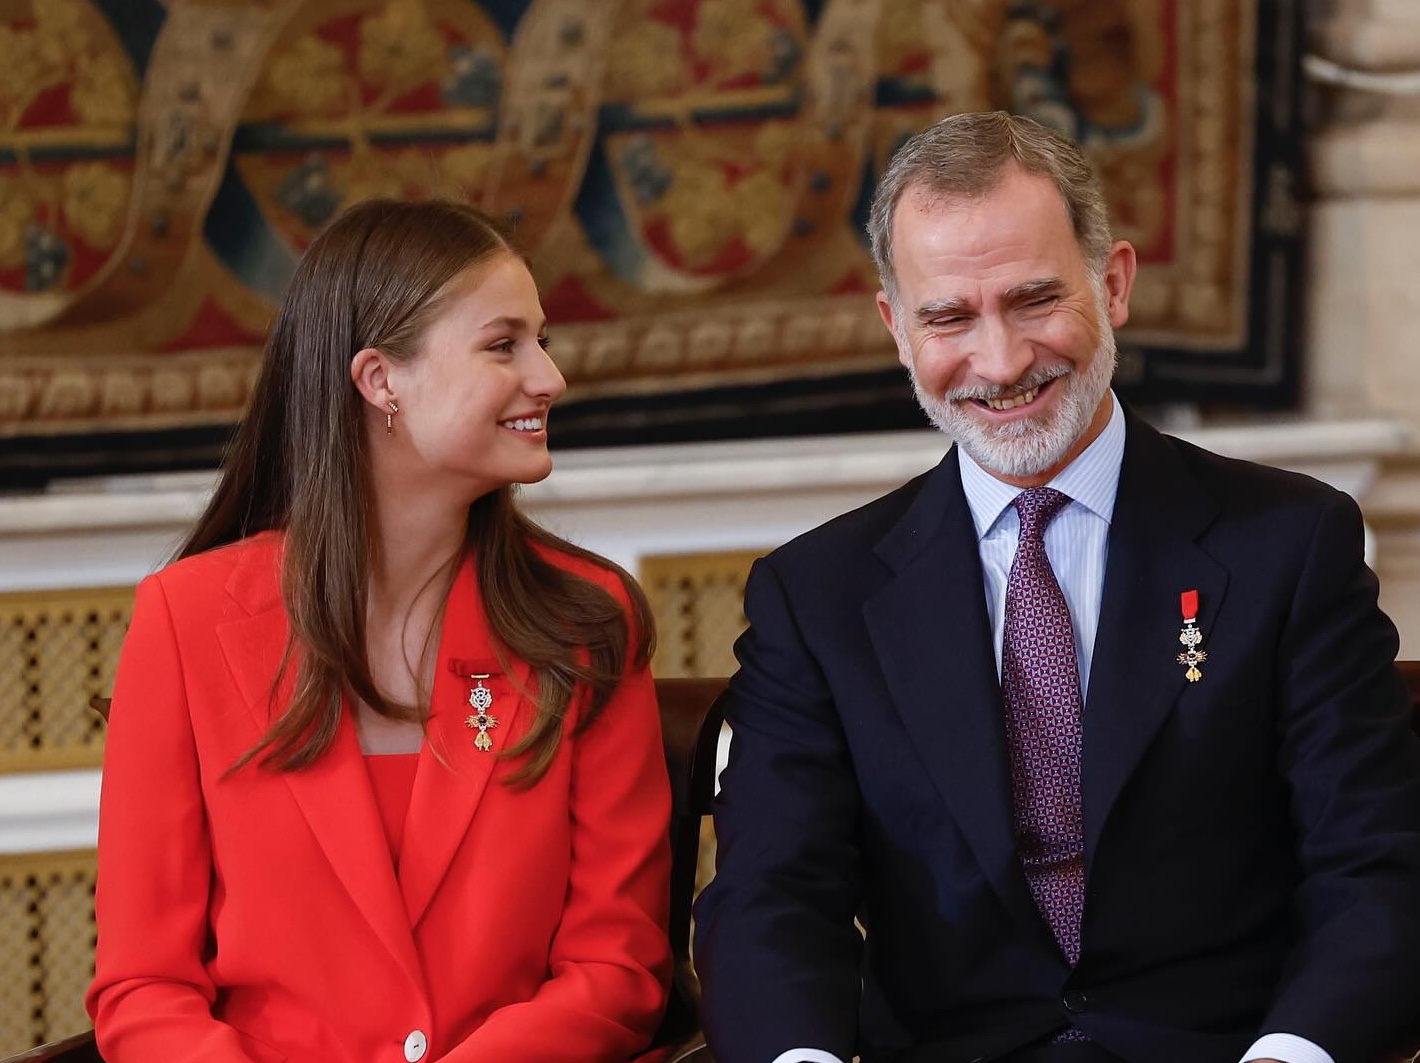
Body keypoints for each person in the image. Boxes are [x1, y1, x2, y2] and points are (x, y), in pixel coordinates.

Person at [693, 111, 1420, 1063]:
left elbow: (1375, 867)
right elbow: (771, 901)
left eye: (1034, 300)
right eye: (949, 316)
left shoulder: (1288, 543)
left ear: (1112, 283)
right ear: (896, 328)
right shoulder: (815, 596)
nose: (999, 362)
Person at [85, 199, 672, 1063]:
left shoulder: (586, 623)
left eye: (540, 340)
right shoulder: (187, 619)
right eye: (503, 344)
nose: (549, 377)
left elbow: (615, 969)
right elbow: (144, 988)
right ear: (379, 380)